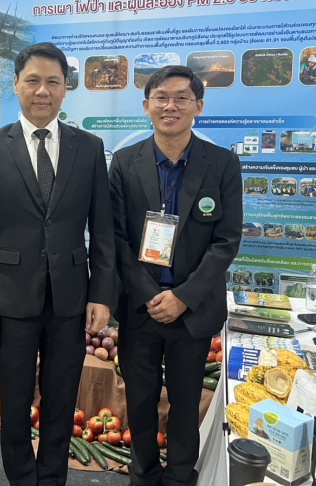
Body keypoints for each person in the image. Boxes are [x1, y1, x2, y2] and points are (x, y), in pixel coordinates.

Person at [0, 42, 116, 486]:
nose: (42, 91)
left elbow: (102, 230)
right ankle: (21, 479)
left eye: (53, 81)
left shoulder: (89, 147)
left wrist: (102, 294)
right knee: (14, 403)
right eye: (32, 80)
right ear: (15, 84)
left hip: (70, 299)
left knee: (61, 399)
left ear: (65, 88)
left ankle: (51, 479)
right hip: (9, 299)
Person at [108, 65, 242, 486]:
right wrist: (149, 294)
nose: (171, 106)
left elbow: (226, 241)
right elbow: (116, 238)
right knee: (140, 401)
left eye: (182, 98)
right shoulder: (124, 162)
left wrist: (183, 296)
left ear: (198, 106)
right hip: (140, 308)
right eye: (161, 97)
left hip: (192, 311)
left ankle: (181, 477)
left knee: (186, 404)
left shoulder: (222, 163)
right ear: (146, 106)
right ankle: (144, 475)